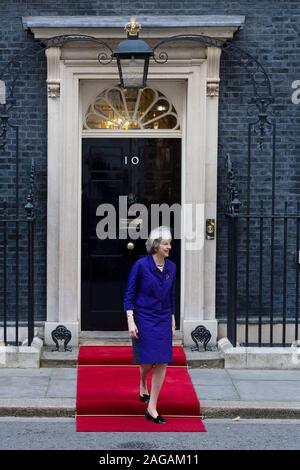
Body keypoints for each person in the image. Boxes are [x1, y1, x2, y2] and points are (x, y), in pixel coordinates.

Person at [123, 226, 176, 424]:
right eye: (165, 244)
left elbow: (171, 296)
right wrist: (131, 320)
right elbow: (129, 294)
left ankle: (151, 407)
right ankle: (142, 380)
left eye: (169, 244)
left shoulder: (172, 267)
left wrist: (172, 319)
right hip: (144, 317)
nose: (169, 247)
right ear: (155, 246)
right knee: (147, 361)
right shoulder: (141, 266)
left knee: (162, 360)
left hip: (163, 318)